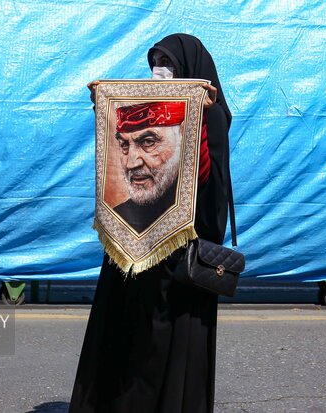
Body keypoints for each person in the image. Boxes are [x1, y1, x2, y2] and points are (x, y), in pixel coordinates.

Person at [70, 33, 232, 413]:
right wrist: (103, 104)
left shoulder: (212, 113)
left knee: (167, 342)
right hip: (134, 243)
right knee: (126, 336)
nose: (161, 71)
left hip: (178, 248)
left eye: (169, 63)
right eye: (155, 61)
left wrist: (202, 115)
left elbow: (205, 181)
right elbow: (118, 143)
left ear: (190, 69)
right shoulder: (150, 108)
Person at [112, 101, 185, 233]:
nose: (131, 163)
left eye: (148, 142)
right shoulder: (116, 219)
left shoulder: (196, 209)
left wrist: (209, 112)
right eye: (124, 144)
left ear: (182, 138)